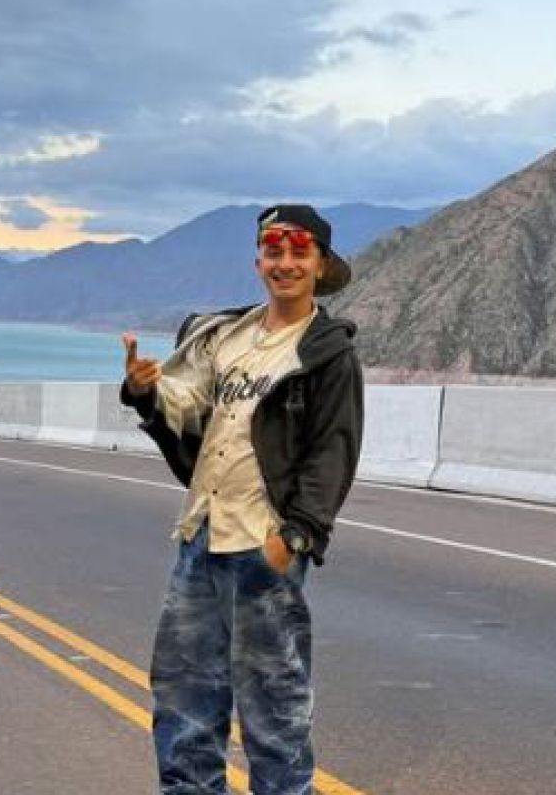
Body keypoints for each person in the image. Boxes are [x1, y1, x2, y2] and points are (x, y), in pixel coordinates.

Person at [120, 203, 365, 795]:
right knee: (183, 695)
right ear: (258, 260)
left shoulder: (326, 353)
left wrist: (297, 537)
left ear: (320, 264)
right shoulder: (224, 336)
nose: (284, 263)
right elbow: (187, 405)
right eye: (273, 251)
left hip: (263, 543)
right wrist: (143, 391)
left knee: (272, 708)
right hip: (201, 536)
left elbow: (333, 450)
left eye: (298, 252)